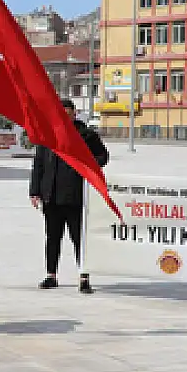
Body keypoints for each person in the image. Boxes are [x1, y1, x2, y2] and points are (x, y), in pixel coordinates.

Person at [29, 98, 109, 295]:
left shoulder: (86, 135)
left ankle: (84, 277)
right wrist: (34, 191)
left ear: (75, 113)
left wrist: (86, 164)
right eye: (61, 113)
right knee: (52, 238)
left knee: (79, 239)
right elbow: (38, 165)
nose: (65, 117)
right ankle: (51, 275)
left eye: (69, 113)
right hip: (51, 196)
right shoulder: (47, 136)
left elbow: (103, 157)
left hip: (75, 196)